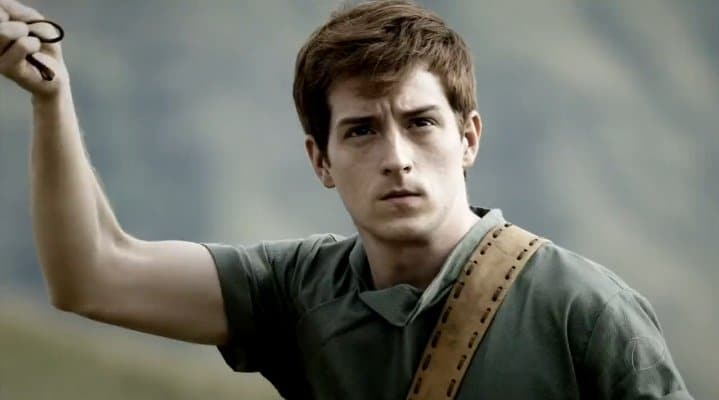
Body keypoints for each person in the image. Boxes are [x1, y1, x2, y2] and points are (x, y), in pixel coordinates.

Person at [0, 0, 694, 398]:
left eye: (420, 123)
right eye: (361, 130)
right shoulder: (295, 290)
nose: (396, 157)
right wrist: (51, 98)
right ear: (320, 160)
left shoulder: (584, 310)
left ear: (468, 137)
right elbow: (93, 275)